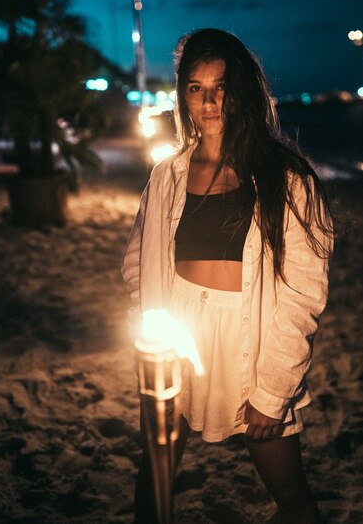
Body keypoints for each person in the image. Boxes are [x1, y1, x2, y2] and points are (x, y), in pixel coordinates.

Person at [122, 28, 333, 523]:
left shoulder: (287, 179)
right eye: (196, 87)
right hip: (174, 351)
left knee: (292, 495)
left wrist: (273, 389)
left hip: (251, 348)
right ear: (183, 96)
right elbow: (137, 260)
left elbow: (303, 293)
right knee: (153, 490)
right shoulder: (167, 175)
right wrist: (150, 329)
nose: (211, 100)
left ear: (243, 91)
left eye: (221, 86)